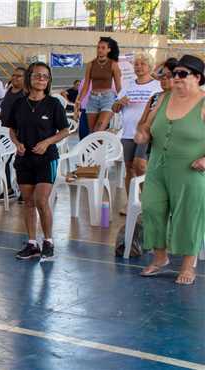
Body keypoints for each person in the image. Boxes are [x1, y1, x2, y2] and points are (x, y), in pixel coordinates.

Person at [136, 54, 205, 285]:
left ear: (197, 77)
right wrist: (143, 134)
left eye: (182, 74)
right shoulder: (163, 99)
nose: (175, 78)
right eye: (174, 73)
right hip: (157, 167)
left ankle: (187, 265)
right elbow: (146, 126)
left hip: (190, 170)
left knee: (188, 215)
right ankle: (160, 257)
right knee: (152, 208)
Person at [6, 62, 70, 261]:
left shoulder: (53, 104)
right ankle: (32, 243)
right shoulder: (18, 104)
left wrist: (46, 142)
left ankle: (48, 242)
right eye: (37, 75)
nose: (41, 79)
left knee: (41, 200)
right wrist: (17, 143)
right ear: (30, 78)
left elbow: (64, 131)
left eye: (45, 76)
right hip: (24, 160)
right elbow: (12, 130)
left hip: (46, 159)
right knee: (28, 202)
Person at [111, 53, 161, 214]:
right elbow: (114, 108)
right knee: (129, 168)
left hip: (146, 133)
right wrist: (119, 103)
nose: (138, 67)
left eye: (142, 64)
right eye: (136, 64)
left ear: (150, 66)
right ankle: (131, 202)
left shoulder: (157, 86)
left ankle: (146, 201)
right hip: (127, 132)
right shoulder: (128, 85)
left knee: (141, 166)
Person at [74, 36, 122, 133]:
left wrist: (120, 100)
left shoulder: (113, 64)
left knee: (99, 129)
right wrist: (79, 101)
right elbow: (86, 85)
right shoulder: (90, 64)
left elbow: (118, 86)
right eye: (98, 47)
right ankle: (100, 148)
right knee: (92, 133)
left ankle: (101, 147)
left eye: (103, 48)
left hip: (108, 98)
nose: (99, 50)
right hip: (93, 99)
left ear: (109, 50)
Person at [0, 66, 27, 198]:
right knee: (5, 160)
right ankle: (9, 189)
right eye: (13, 75)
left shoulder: (25, 94)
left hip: (19, 133)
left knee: (18, 163)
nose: (14, 78)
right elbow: (4, 110)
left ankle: (23, 190)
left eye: (18, 76)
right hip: (5, 132)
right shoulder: (9, 90)